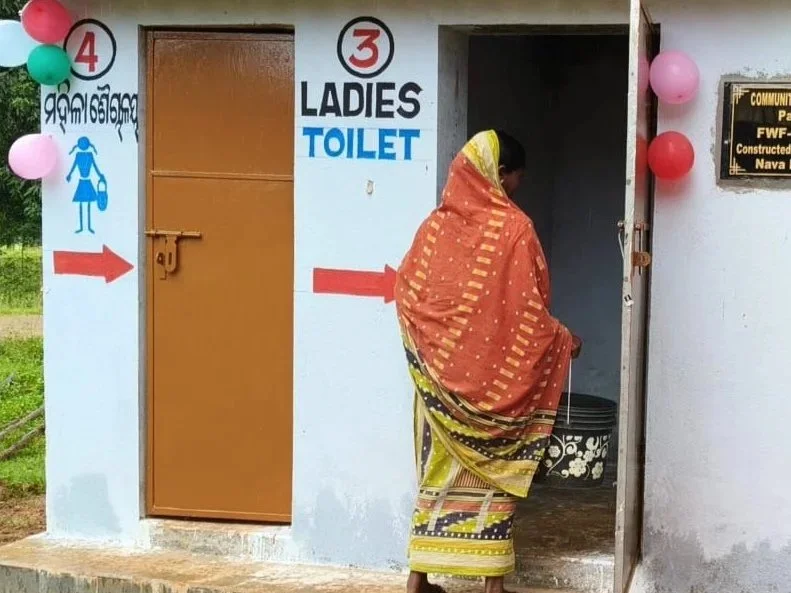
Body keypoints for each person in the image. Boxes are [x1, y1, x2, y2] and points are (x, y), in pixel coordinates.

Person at [395, 130, 581, 593]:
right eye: (516, 177)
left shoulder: (433, 227)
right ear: (499, 175)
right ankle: (491, 587)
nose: (518, 185)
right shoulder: (516, 229)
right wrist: (562, 340)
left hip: (436, 391)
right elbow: (528, 311)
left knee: (434, 480)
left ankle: (418, 580)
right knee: (493, 481)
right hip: (495, 392)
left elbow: (408, 295)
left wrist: (433, 356)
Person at [66, 136, 105, 234]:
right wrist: (69, 174)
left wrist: (100, 175)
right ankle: (81, 227)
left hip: (87, 182)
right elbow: (74, 166)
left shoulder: (90, 155)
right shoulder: (78, 155)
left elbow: (95, 166)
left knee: (87, 205)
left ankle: (88, 227)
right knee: (81, 204)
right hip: (82, 182)